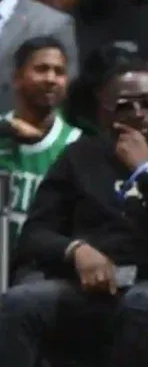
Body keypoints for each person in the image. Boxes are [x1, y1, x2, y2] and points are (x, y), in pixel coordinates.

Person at [0, 54, 148, 367]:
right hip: (86, 288)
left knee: (142, 305)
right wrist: (76, 250)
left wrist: (145, 172)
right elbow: (35, 235)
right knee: (20, 302)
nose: (138, 114)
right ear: (103, 114)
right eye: (124, 106)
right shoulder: (80, 157)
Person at [0, 37, 80, 246]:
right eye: (41, 69)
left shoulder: (76, 145)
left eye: (59, 72)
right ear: (17, 77)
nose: (51, 78)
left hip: (40, 269)